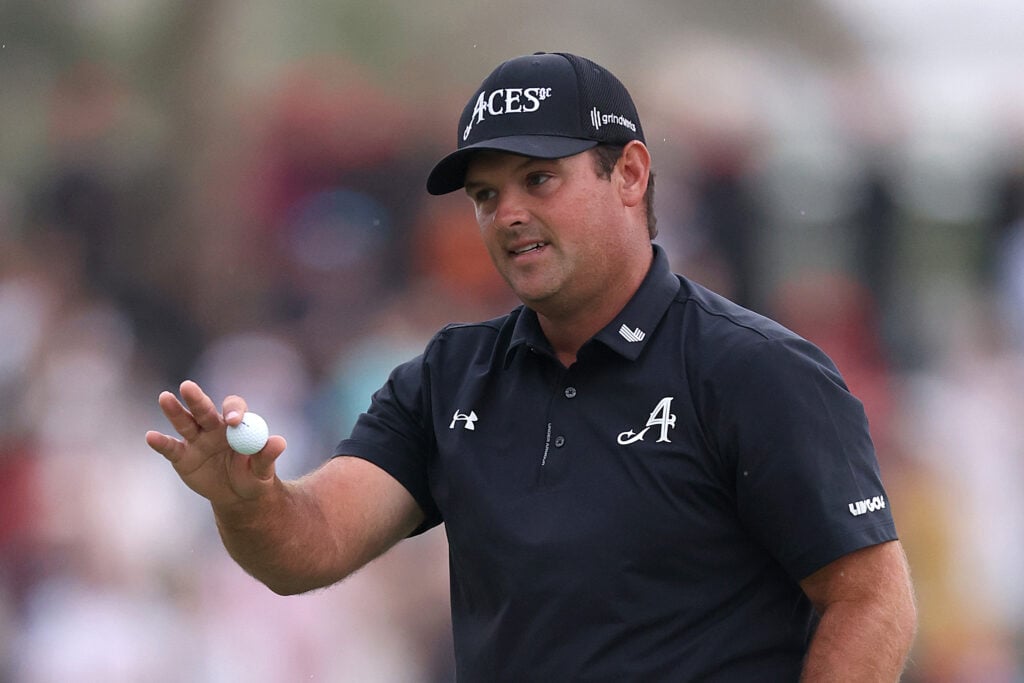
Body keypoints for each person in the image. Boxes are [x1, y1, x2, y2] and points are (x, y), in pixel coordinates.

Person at [146, 52, 917, 680]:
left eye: (538, 179)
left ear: (630, 174)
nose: (507, 213)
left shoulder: (755, 371)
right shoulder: (450, 377)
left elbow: (872, 598)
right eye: (486, 194)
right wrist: (248, 502)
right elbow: (309, 546)